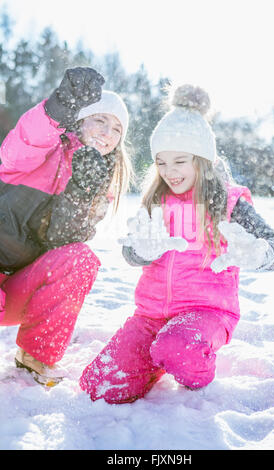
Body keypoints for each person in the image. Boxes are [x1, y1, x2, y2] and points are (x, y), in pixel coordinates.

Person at [79, 84, 274, 403]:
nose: (169, 172)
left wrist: (257, 254)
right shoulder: (156, 200)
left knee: (179, 347)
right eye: (161, 162)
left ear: (202, 160)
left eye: (180, 161)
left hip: (205, 313)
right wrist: (140, 252)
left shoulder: (229, 204)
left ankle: (189, 362)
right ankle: (158, 355)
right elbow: (130, 250)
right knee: (99, 385)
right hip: (150, 316)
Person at [0, 67, 132, 386]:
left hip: (18, 287)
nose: (107, 132)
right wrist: (58, 106)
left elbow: (61, 241)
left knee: (80, 259)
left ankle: (35, 357)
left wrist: (81, 193)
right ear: (81, 119)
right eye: (100, 119)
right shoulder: (45, 149)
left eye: (117, 128)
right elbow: (24, 142)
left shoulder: (98, 181)